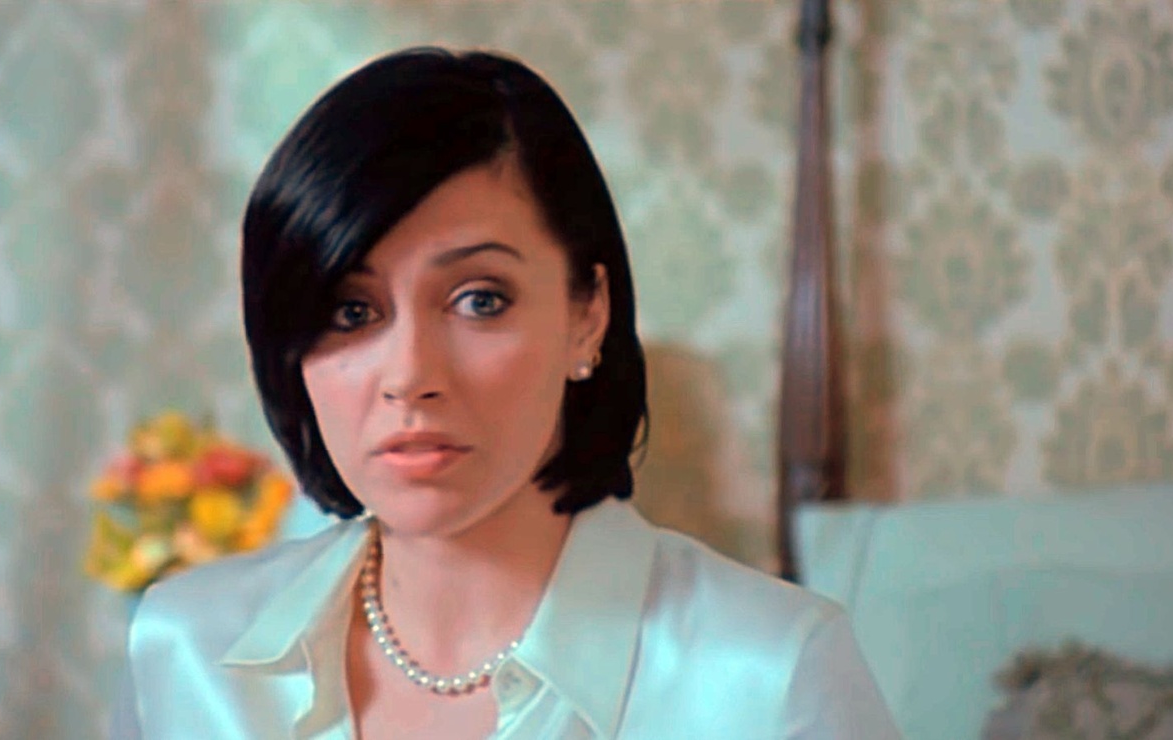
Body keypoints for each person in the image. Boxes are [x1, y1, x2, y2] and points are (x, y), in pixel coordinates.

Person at [124, 47, 901, 739]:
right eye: (351, 312)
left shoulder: (768, 675)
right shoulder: (187, 650)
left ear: (587, 314)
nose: (410, 375)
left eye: (479, 300)